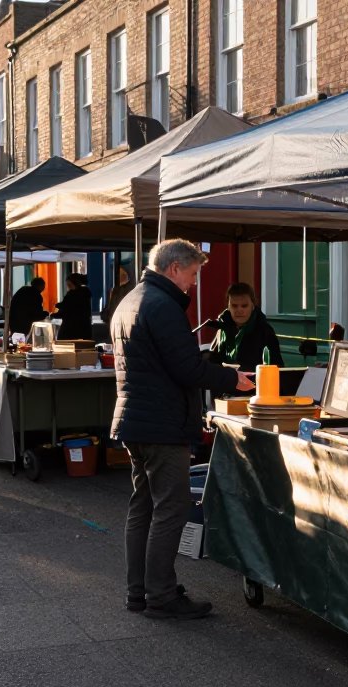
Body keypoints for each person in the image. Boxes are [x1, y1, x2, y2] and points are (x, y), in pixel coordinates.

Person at [112, 239, 254, 620]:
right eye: (192, 275)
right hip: (162, 424)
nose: (193, 283)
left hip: (135, 419)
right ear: (174, 268)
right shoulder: (163, 306)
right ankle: (160, 595)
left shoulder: (130, 300)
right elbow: (187, 368)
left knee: (143, 506)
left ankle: (138, 591)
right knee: (170, 508)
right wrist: (231, 378)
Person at [208, 282, 283, 374]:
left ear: (253, 305)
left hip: (253, 385)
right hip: (226, 384)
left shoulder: (265, 331)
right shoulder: (222, 329)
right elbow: (213, 362)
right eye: (234, 306)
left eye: (244, 306)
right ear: (228, 306)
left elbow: (276, 368)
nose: (239, 310)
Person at [53, 273, 93, 340]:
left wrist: (56, 312)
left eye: (69, 285)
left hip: (70, 330)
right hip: (85, 328)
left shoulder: (72, 295)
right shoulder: (85, 294)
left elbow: (68, 310)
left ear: (74, 283)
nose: (68, 287)